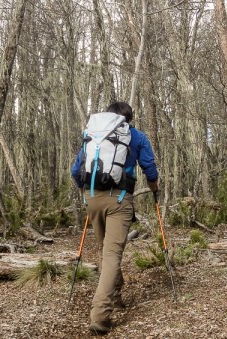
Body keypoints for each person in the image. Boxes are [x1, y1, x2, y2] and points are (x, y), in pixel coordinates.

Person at [71, 101, 159, 334]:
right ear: (128, 118)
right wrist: (154, 187)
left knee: (106, 250)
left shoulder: (94, 135)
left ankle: (116, 292)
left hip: (92, 198)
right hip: (119, 200)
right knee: (112, 255)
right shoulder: (136, 136)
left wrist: (85, 194)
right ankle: (100, 317)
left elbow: (75, 170)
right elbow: (149, 167)